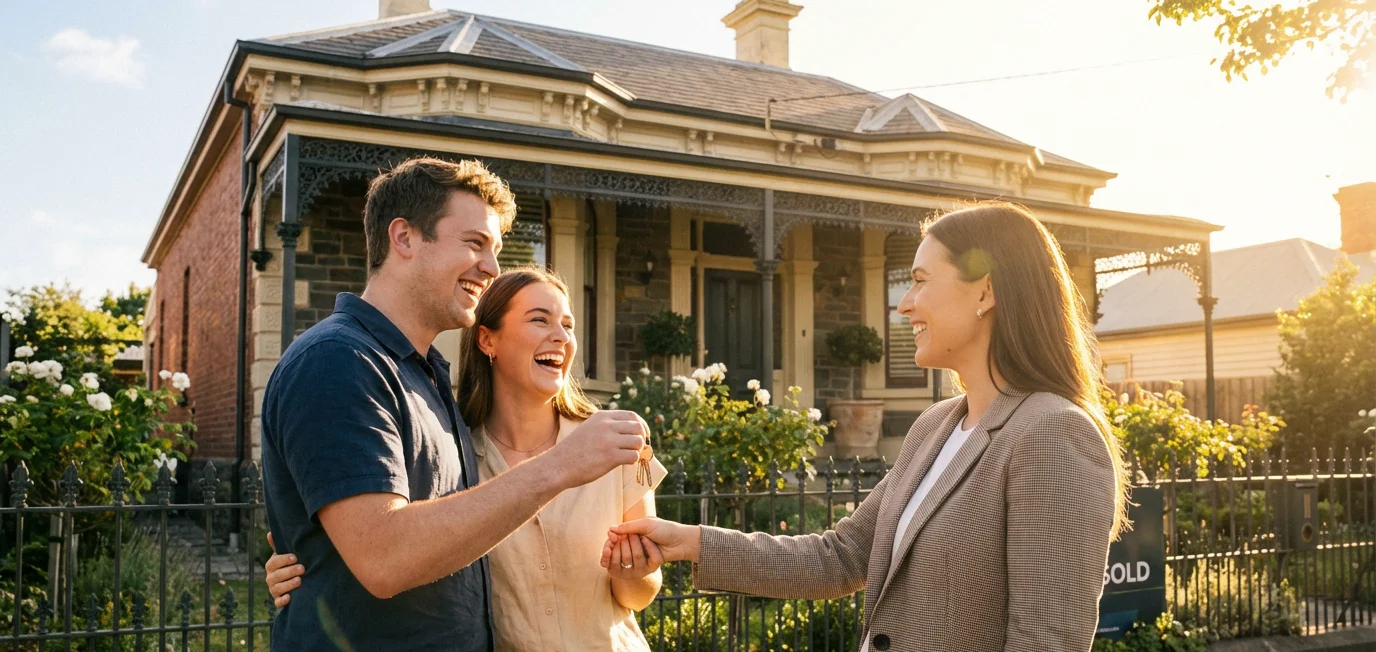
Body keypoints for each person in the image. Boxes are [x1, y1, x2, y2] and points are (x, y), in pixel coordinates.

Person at [606, 202, 1127, 652]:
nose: (904, 304)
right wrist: (691, 541)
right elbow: (839, 557)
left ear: (985, 292)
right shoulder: (936, 426)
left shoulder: (1053, 433)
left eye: (920, 282)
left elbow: (1046, 642)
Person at [260, 158, 648, 652]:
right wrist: (562, 465)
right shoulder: (338, 361)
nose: (492, 268)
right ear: (403, 238)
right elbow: (384, 556)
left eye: (495, 249)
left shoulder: (426, 376)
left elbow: (441, 530)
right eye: (474, 243)